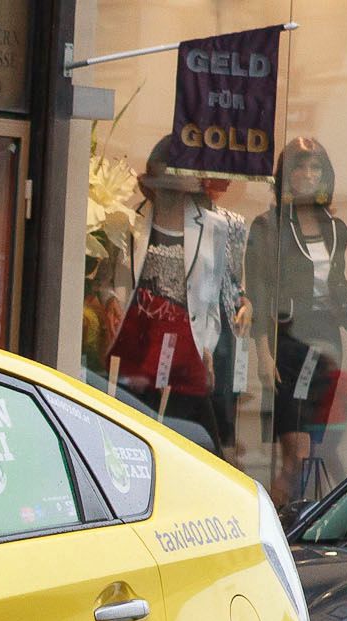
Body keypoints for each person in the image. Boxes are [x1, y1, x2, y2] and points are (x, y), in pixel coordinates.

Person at [112, 137, 249, 451]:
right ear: (152, 186)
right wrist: (111, 304)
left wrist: (207, 349)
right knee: (138, 435)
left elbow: (211, 299)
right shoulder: (130, 223)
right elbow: (116, 282)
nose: (170, 193)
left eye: (178, 185)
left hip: (187, 351)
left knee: (196, 440)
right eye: (164, 185)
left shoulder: (211, 228)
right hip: (140, 351)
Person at [247, 137, 347, 510]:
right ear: (285, 175)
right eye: (299, 167)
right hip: (289, 345)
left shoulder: (336, 230)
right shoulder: (269, 227)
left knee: (313, 450)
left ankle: (300, 523)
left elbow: (335, 283)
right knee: (295, 452)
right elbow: (256, 292)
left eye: (315, 168)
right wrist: (263, 353)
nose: (307, 175)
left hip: (326, 344)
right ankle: (279, 524)